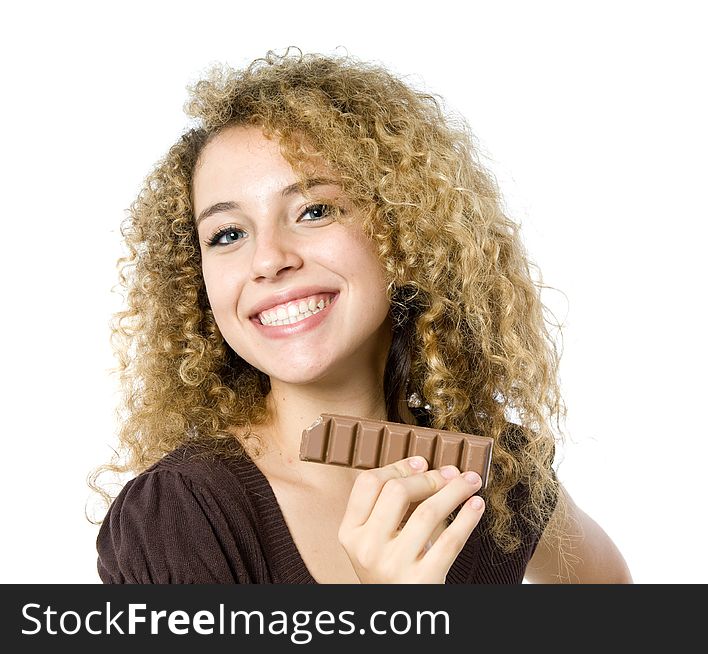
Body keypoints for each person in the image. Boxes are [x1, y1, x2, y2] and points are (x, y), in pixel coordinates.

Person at [92, 47, 632, 584]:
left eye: (314, 210)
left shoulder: (493, 471)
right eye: (228, 234)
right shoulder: (179, 516)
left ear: (403, 230)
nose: (268, 259)